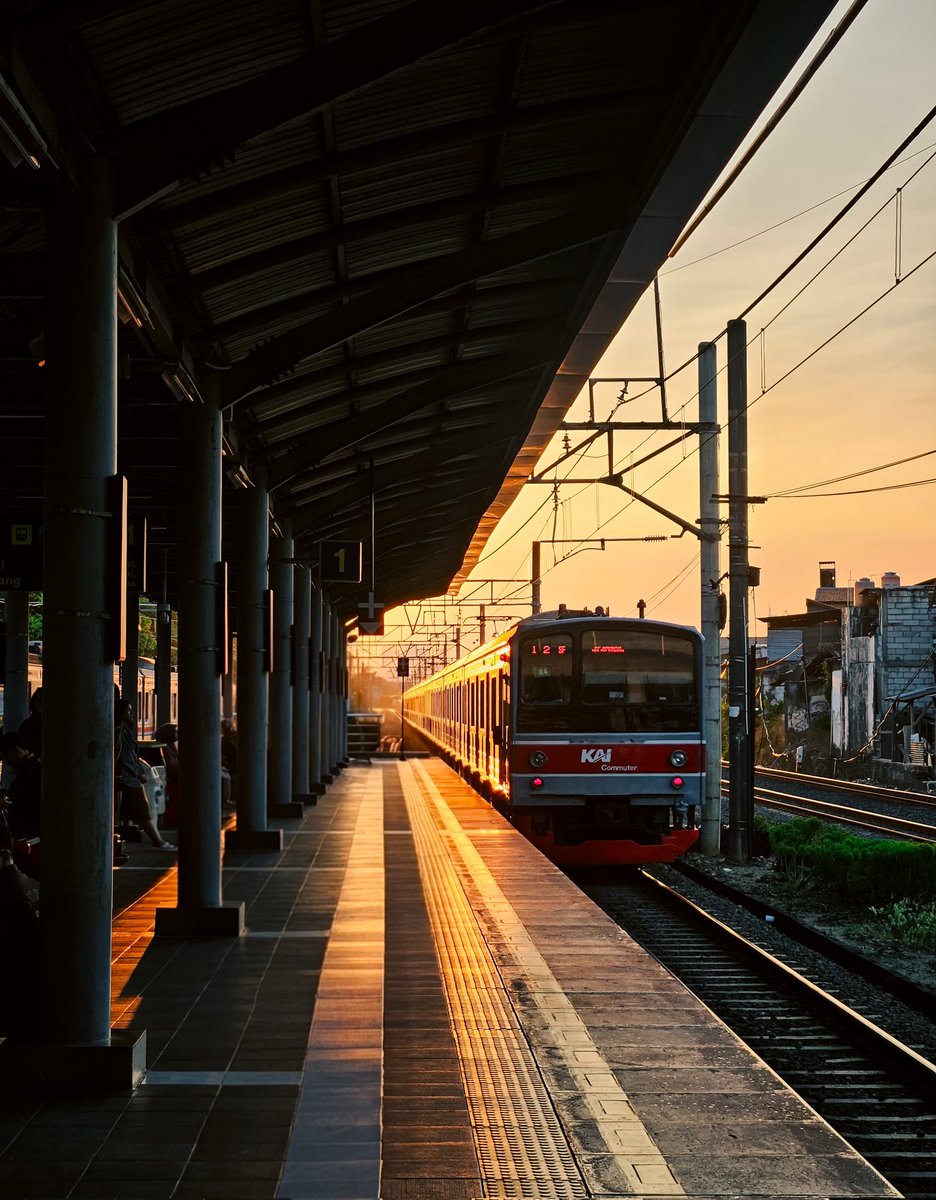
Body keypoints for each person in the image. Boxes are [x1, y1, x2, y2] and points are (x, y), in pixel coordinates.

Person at [115, 700, 175, 851]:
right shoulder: (118, 733)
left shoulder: (125, 731)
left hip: (129, 777)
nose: (132, 714)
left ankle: (155, 840)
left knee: (135, 811)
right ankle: (157, 841)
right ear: (119, 714)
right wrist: (138, 773)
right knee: (142, 812)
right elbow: (126, 758)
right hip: (129, 778)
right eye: (128, 711)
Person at [155, 722, 180, 827]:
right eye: (175, 732)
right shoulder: (166, 747)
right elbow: (171, 768)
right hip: (171, 777)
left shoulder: (169, 745)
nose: (177, 734)